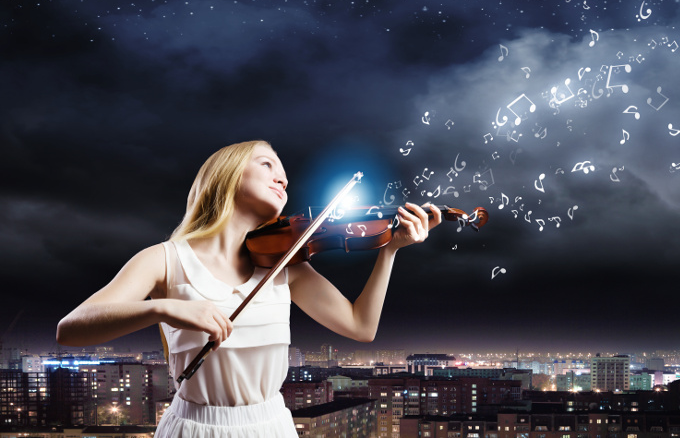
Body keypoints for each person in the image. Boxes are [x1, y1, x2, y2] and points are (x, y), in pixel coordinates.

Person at [56, 140, 440, 437]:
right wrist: (164, 309)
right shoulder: (164, 259)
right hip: (194, 427)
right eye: (267, 164)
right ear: (226, 176)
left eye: (285, 174)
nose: (283, 178)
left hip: (270, 425)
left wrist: (389, 250)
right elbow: (71, 329)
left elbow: (361, 326)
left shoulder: (286, 263)